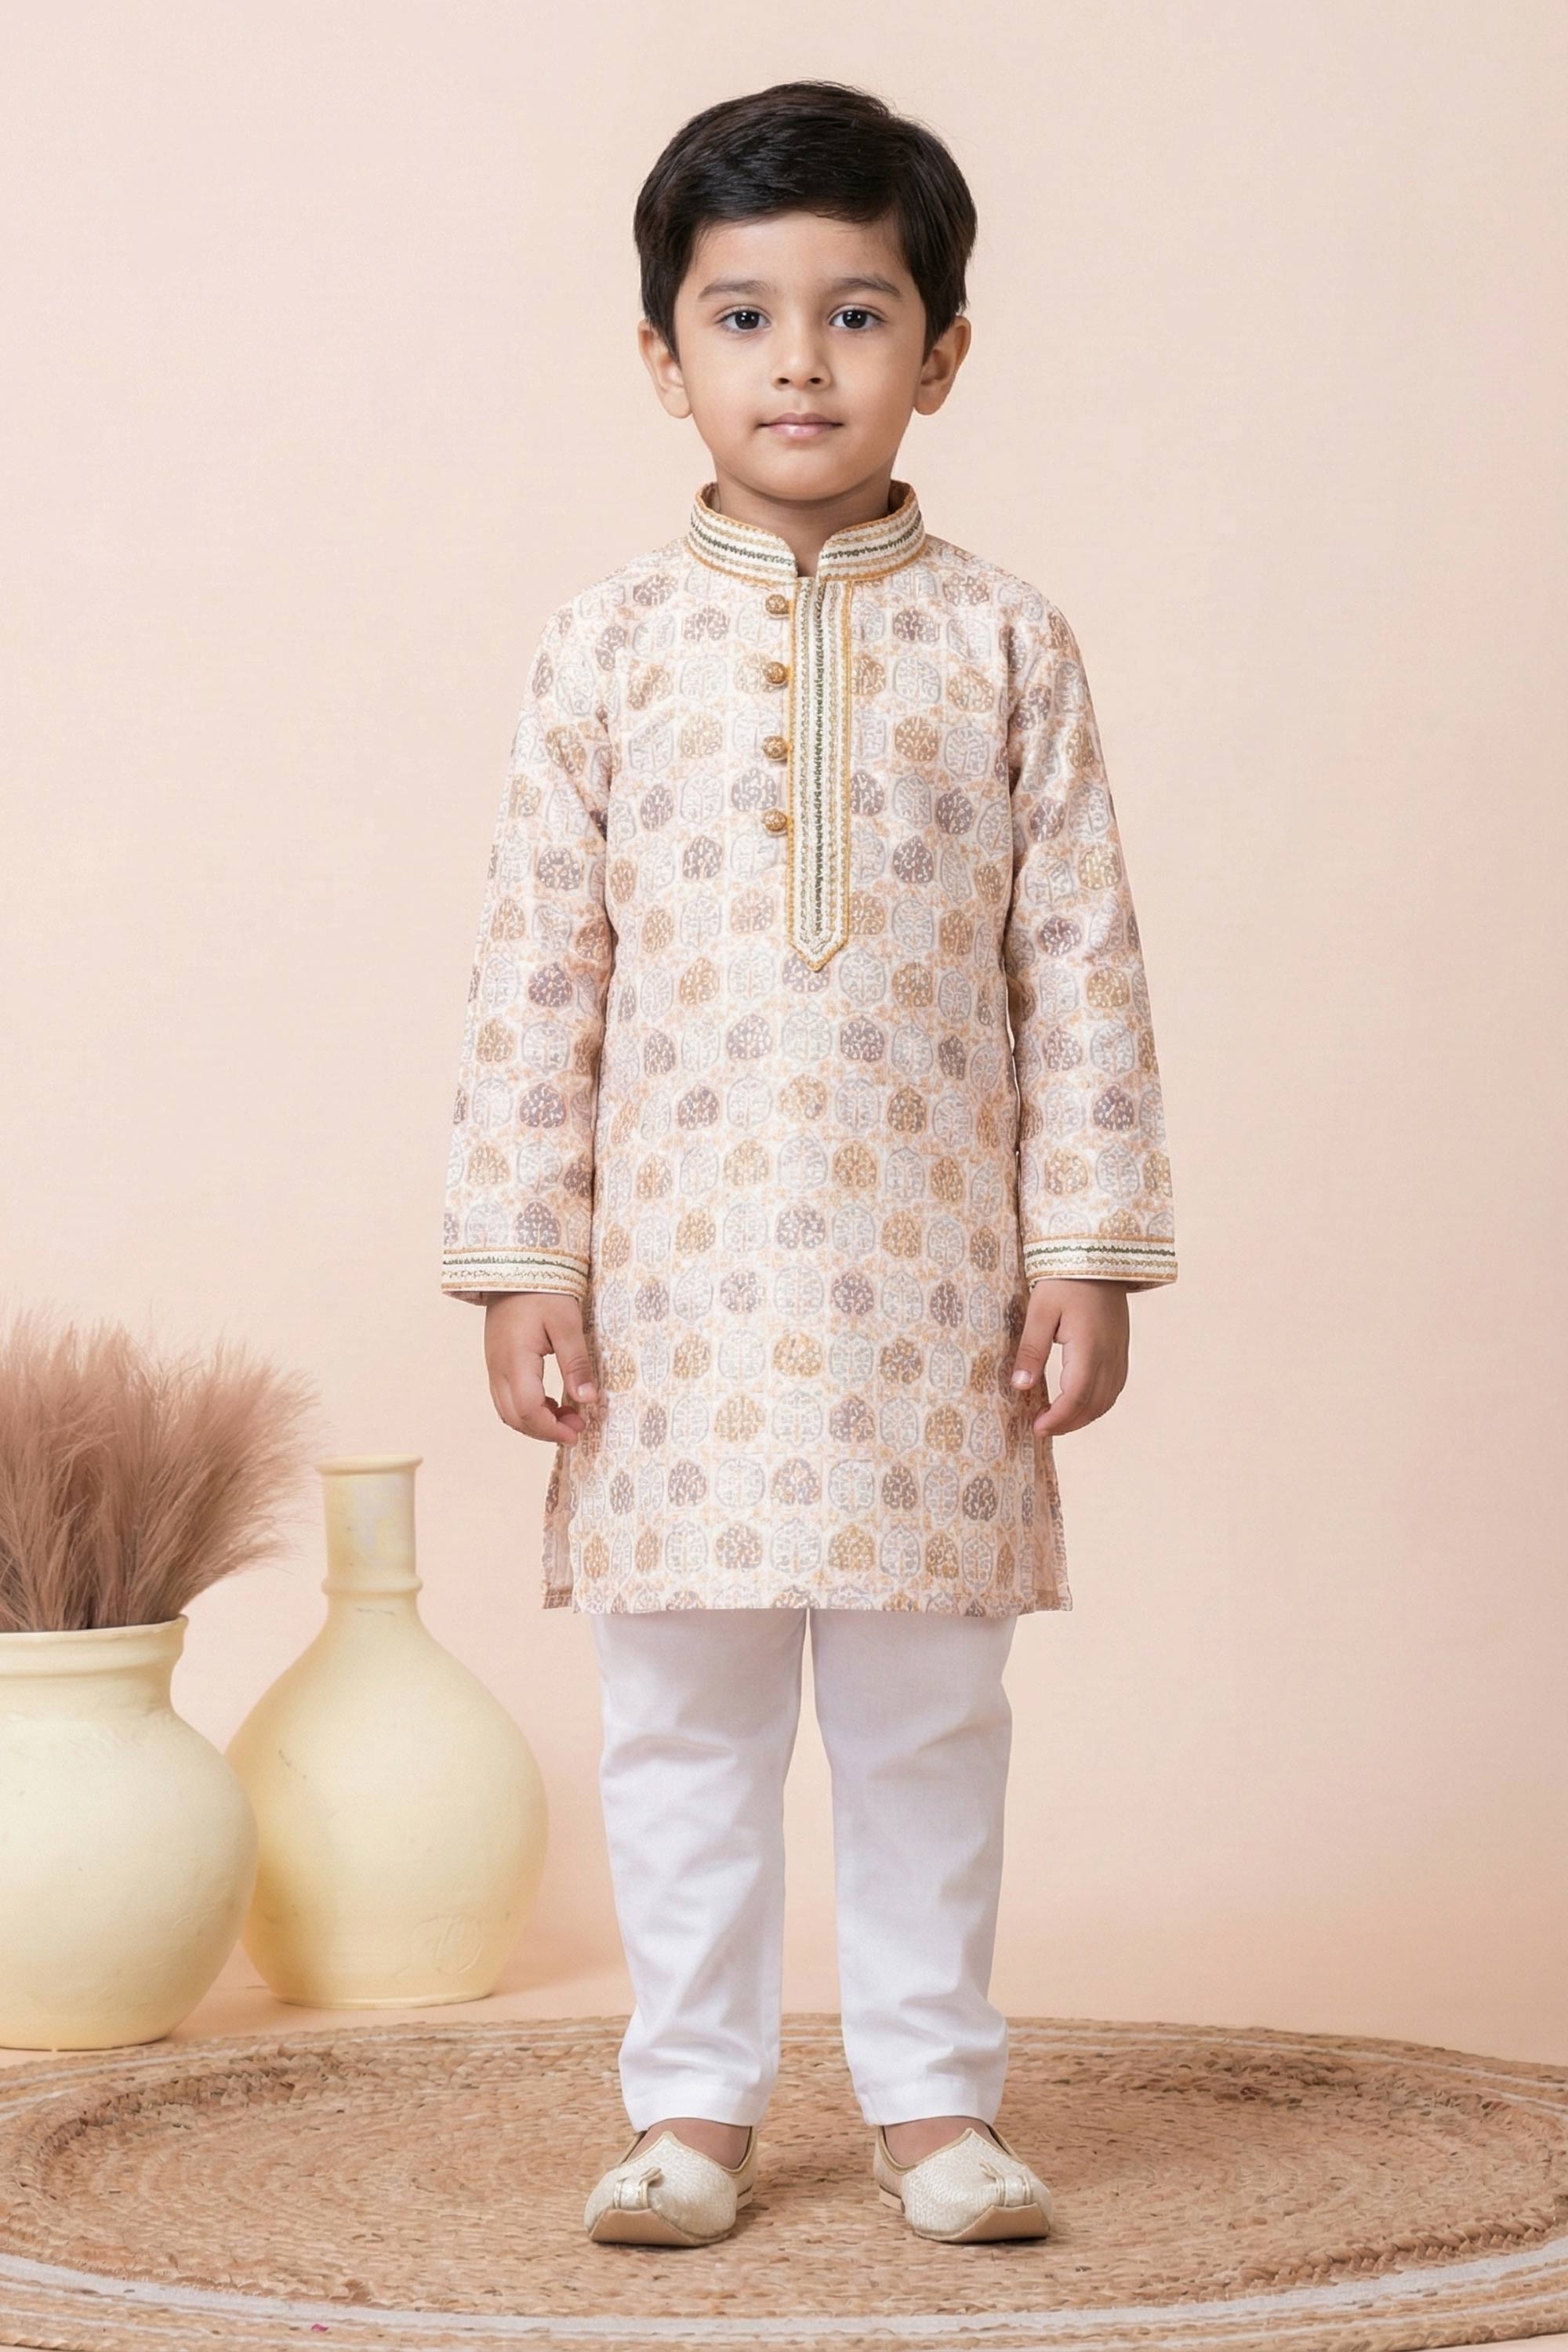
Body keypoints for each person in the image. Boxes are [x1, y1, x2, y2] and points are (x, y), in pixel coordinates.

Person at [440, 78, 1178, 2249]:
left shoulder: (1009, 643)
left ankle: (937, 2104)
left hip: (936, 1295)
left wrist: (1086, 1250)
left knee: (931, 1713)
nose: (798, 363)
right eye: (742, 315)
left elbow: (1083, 963)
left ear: (941, 352)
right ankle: (691, 2109)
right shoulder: (605, 647)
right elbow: (535, 969)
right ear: (660, 352)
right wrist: (525, 1259)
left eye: (857, 314)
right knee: (681, 1719)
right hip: (670, 1306)